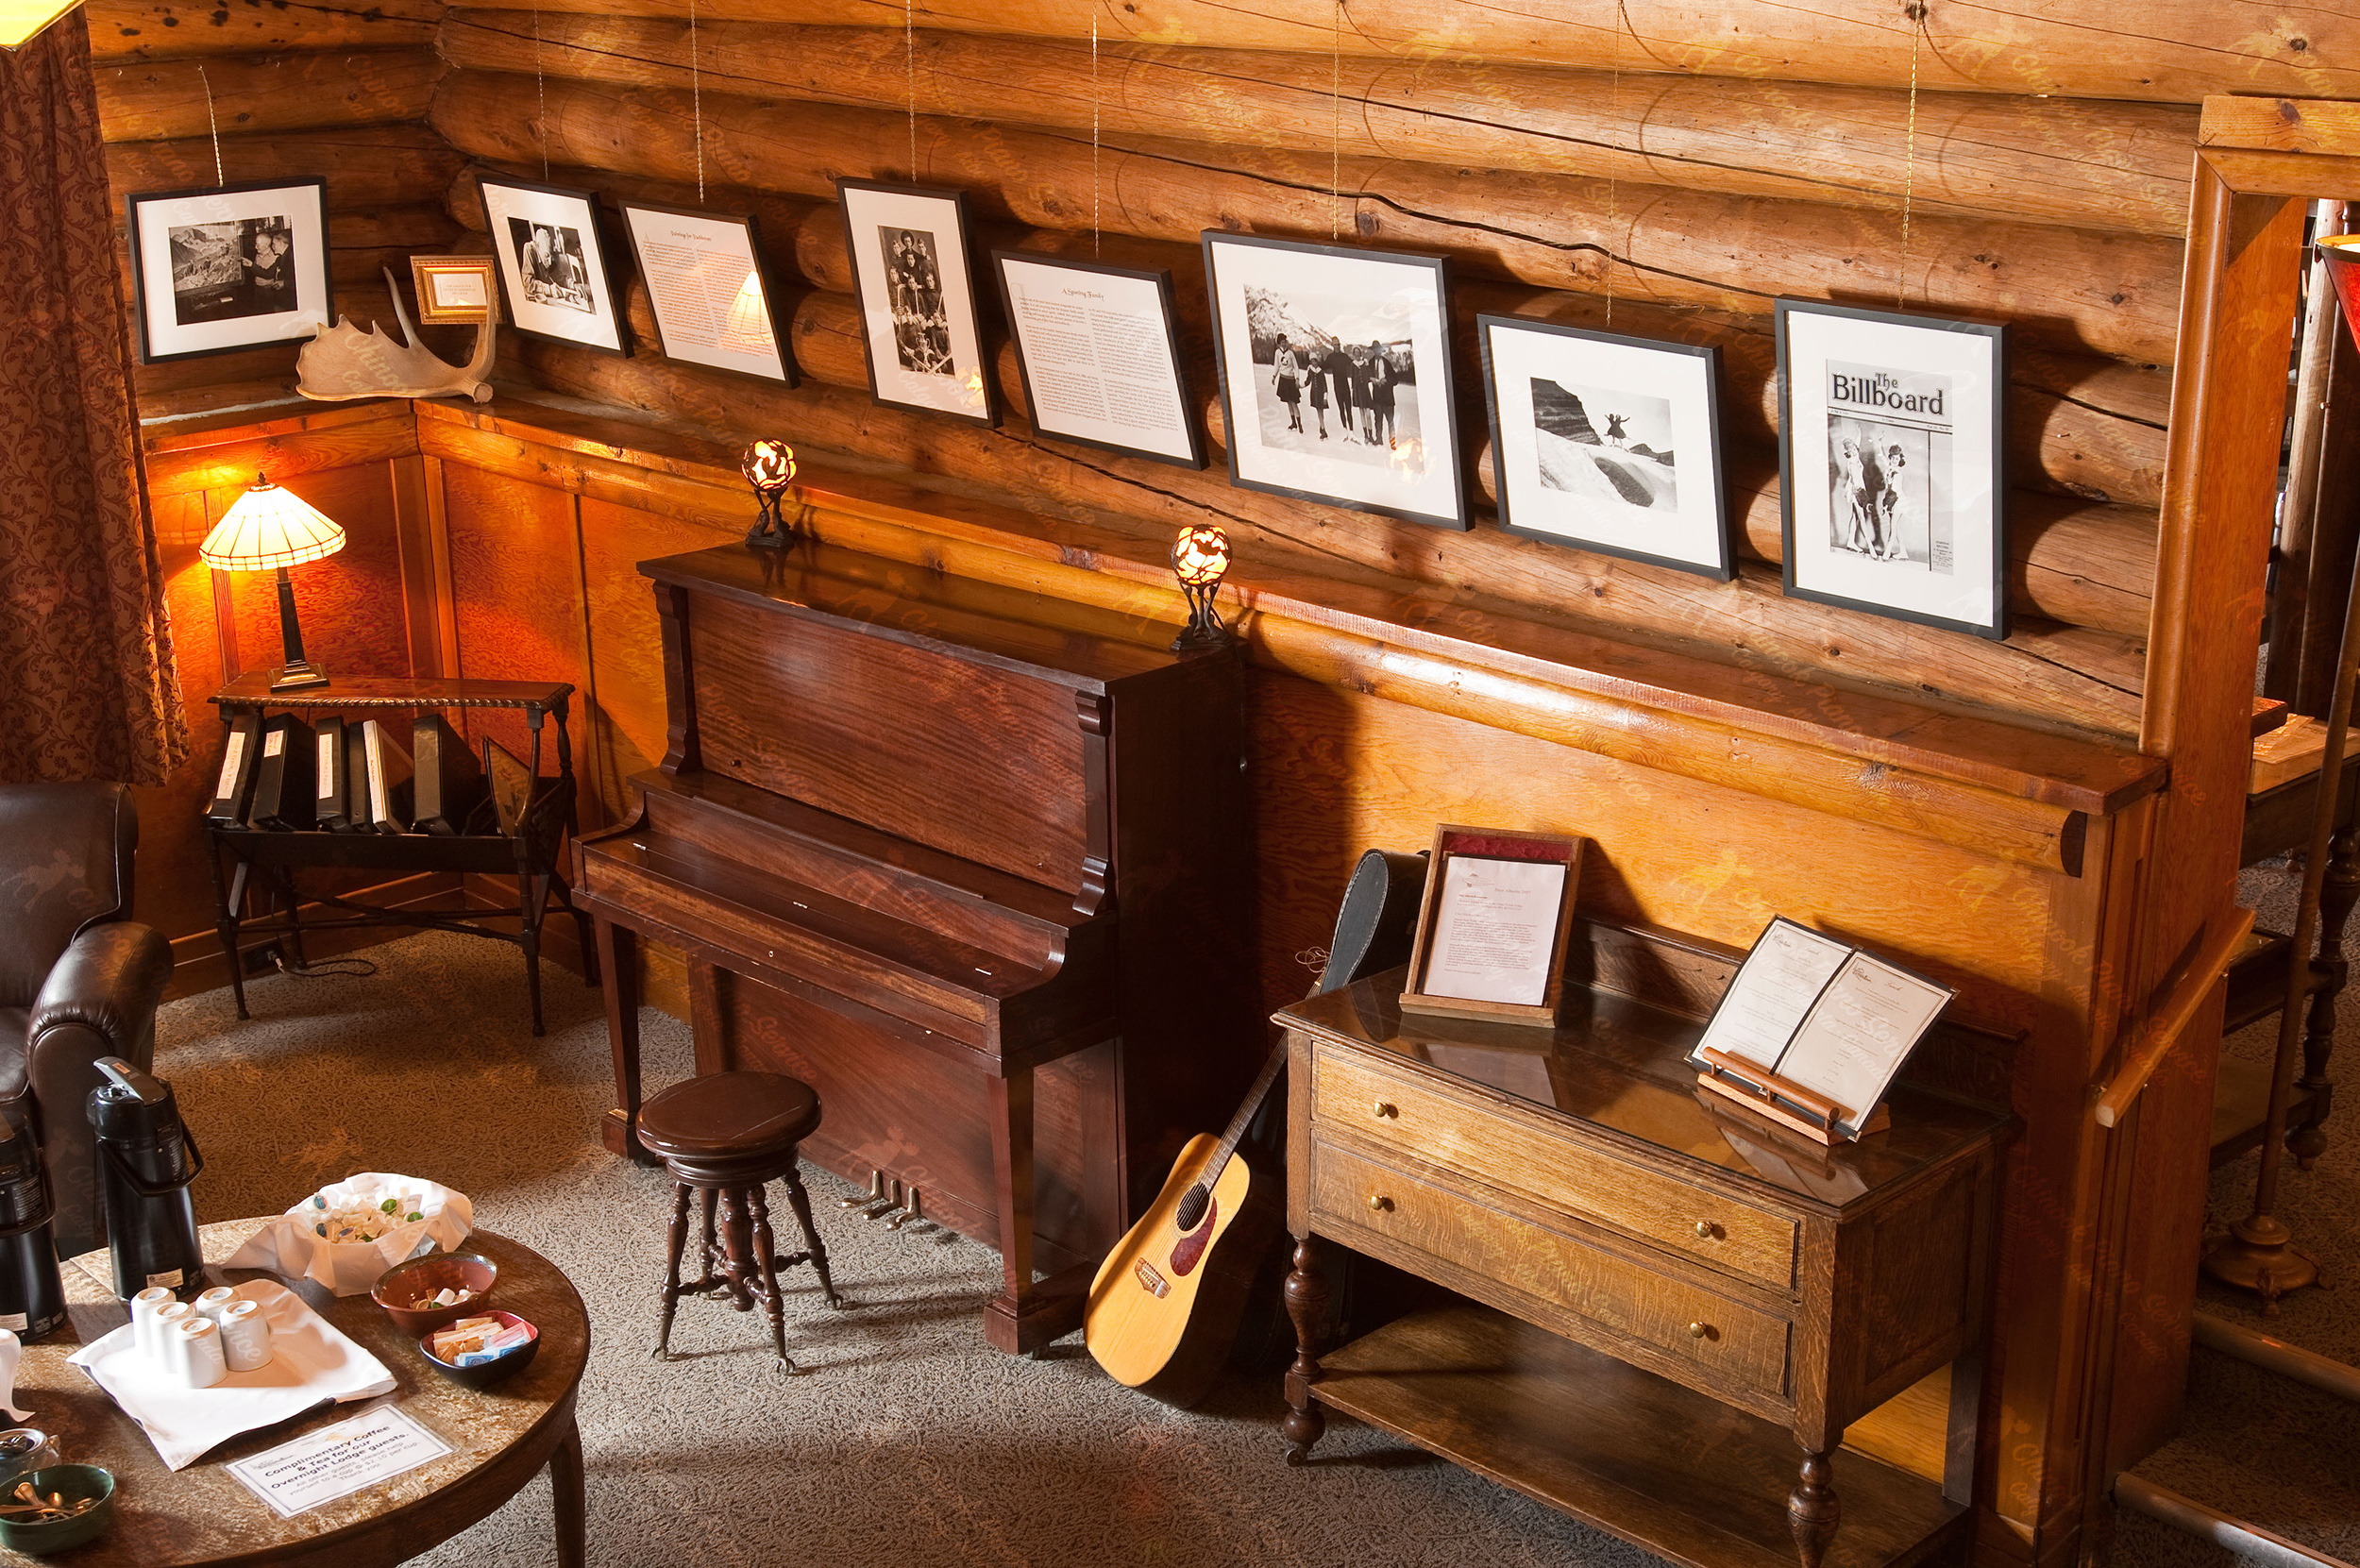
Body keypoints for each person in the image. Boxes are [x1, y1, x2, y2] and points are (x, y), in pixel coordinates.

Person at [1323, 345, 1358, 444]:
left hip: (1346, 387)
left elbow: (1353, 364)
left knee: (1349, 410)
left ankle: (1351, 431)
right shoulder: (1331, 357)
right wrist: (1313, 364)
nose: (1337, 346)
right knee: (1341, 410)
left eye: (1338, 344)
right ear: (1333, 345)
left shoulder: (1344, 356)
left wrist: (1362, 363)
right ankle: (1345, 431)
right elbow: (1322, 366)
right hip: (1337, 388)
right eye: (1335, 344)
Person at [1367, 342, 1397, 447]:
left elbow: (1395, 380)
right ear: (1373, 351)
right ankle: (1378, 439)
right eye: (1375, 349)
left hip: (1388, 396)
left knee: (1390, 421)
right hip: (1377, 397)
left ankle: (1392, 442)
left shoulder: (1386, 363)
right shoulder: (1370, 363)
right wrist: (1372, 379)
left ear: (1381, 350)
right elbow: (1366, 377)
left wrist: (1386, 380)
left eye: (1378, 349)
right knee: (1378, 419)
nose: (1377, 351)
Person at [1271, 334, 1303, 432]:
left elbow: (1296, 367)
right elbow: (1277, 365)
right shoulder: (1277, 353)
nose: (1284, 344)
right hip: (1283, 379)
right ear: (1279, 343)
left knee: (1294, 402)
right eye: (1282, 342)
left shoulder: (1290, 353)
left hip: (1291, 379)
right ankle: (1293, 423)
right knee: (1289, 402)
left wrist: (1297, 378)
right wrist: (1274, 376)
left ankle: (1299, 424)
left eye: (1285, 342)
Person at [1306, 340, 1332, 437]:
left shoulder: (1321, 372)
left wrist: (1325, 397)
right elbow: (1308, 381)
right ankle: (1322, 428)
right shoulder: (1311, 370)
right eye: (1312, 361)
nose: (1314, 363)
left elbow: (1325, 386)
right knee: (1318, 411)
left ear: (1317, 361)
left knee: (1320, 411)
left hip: (1320, 394)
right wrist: (1300, 385)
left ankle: (1323, 429)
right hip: (1314, 393)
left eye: (1315, 361)